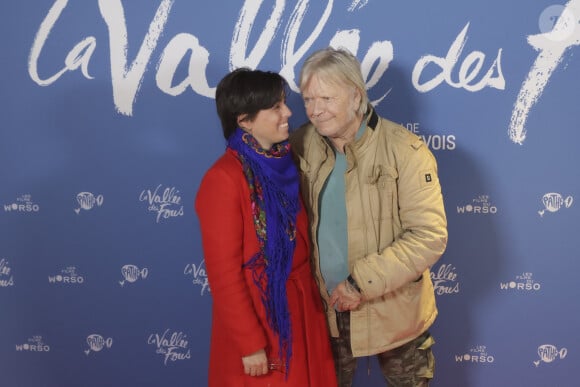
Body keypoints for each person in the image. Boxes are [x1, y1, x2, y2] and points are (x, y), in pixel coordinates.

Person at [290, 47, 448, 387]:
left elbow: (428, 236)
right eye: (308, 99)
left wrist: (359, 282)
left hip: (396, 314)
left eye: (327, 98)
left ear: (355, 96)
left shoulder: (406, 150)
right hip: (325, 312)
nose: (316, 111)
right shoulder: (299, 144)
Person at [195, 68, 338, 387]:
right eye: (275, 107)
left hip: (304, 308)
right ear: (244, 120)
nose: (288, 112)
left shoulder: (286, 162)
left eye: (284, 103)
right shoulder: (222, 179)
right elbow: (224, 276)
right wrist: (249, 343)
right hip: (264, 318)